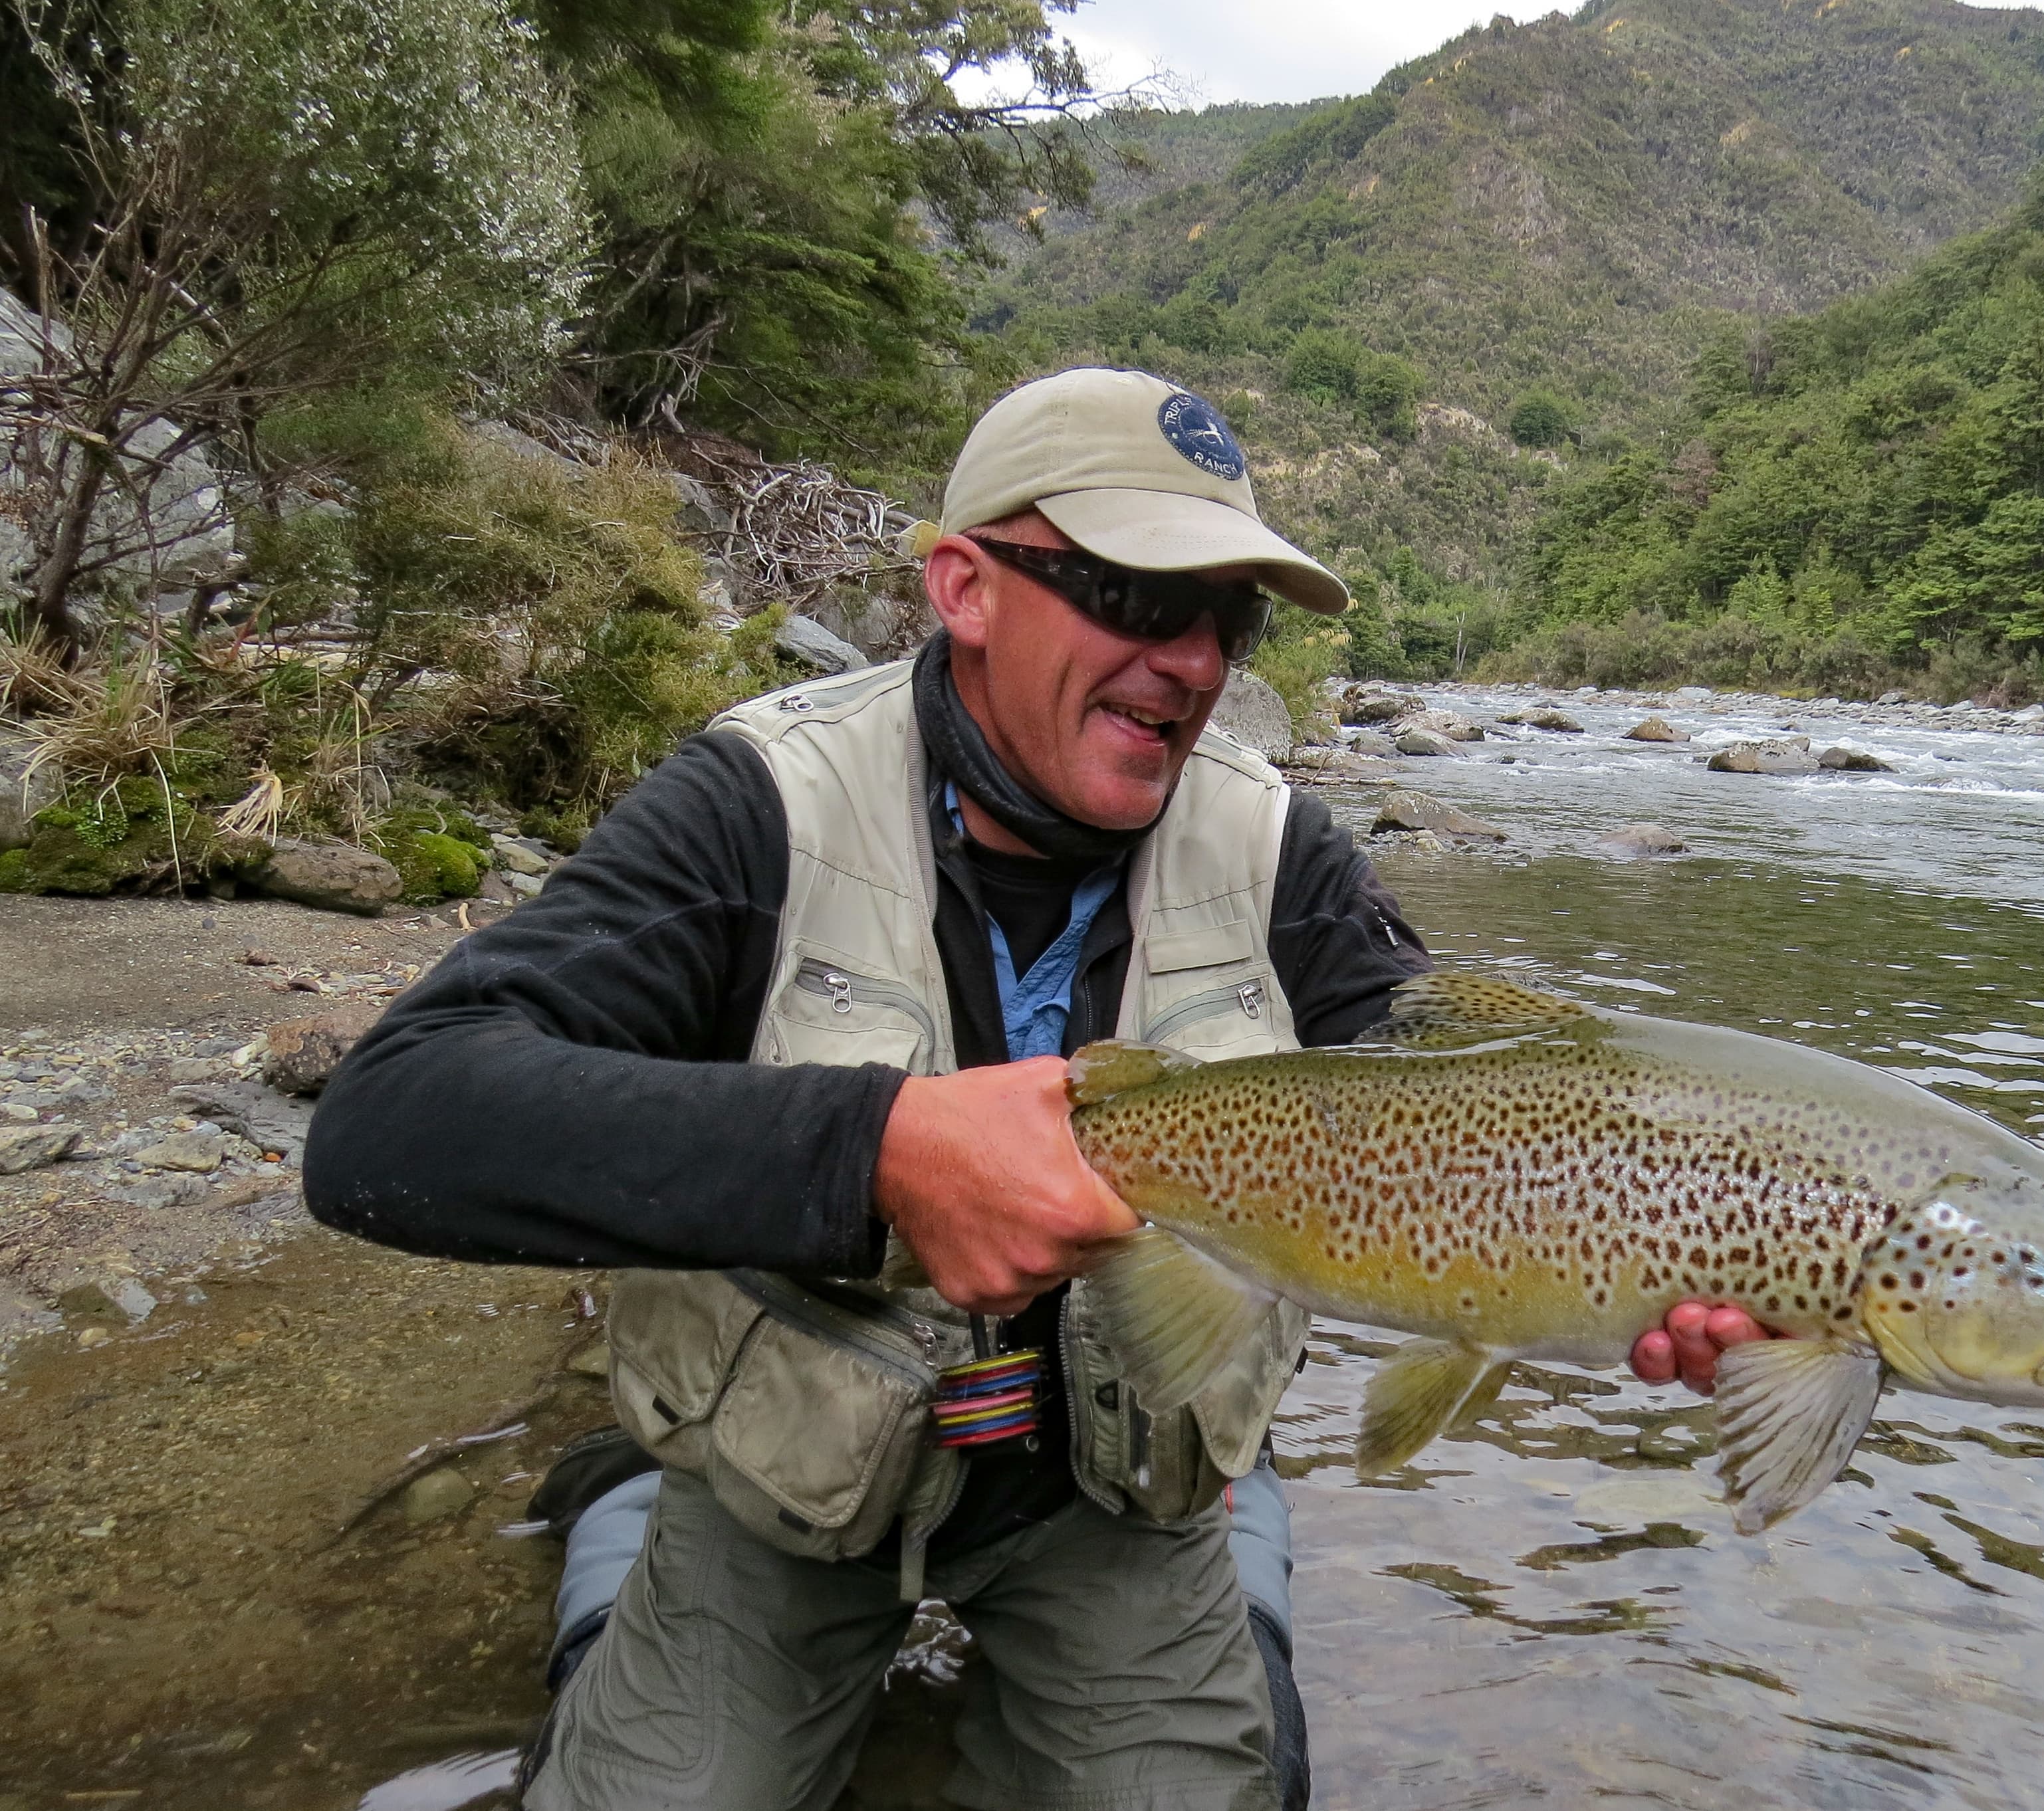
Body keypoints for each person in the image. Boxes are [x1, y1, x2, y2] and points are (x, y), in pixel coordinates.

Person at [304, 366, 1767, 1811]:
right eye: (1135, 597)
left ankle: (1236, 1552)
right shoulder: (759, 806)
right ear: (965, 587)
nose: (1193, 660)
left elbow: (1470, 1100)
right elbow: (398, 1118)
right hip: (789, 1496)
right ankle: (626, 1512)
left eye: (1227, 619)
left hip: (1115, 1502)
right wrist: (872, 1149)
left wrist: (1644, 1252)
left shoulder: (1280, 856)